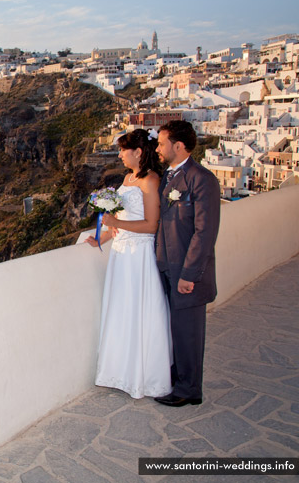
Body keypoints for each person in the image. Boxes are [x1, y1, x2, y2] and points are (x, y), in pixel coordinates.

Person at [86, 128, 172, 399]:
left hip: (139, 256)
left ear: (138, 152)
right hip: (122, 253)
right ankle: (120, 371)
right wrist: (107, 234)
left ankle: (141, 375)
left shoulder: (151, 180)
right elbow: (124, 216)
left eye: (124, 149)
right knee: (122, 310)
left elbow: (151, 225)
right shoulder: (127, 177)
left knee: (138, 310)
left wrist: (116, 223)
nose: (120, 154)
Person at [153, 120, 220, 407]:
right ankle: (178, 380)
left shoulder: (201, 179)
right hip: (166, 266)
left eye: (161, 143)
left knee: (188, 332)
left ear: (178, 146)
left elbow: (204, 233)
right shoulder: (167, 177)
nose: (157, 149)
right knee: (174, 330)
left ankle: (188, 390)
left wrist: (189, 274)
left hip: (185, 271)